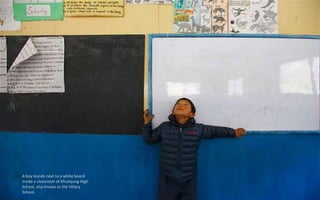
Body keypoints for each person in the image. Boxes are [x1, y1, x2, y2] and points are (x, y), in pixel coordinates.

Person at [142, 97, 246, 200]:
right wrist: (147, 123)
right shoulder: (164, 127)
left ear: (192, 114)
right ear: (173, 112)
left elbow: (215, 131)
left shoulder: (198, 129)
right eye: (178, 104)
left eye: (185, 105)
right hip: (167, 179)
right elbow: (149, 140)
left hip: (189, 179)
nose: (181, 105)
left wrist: (234, 132)